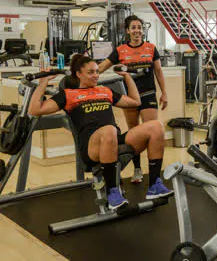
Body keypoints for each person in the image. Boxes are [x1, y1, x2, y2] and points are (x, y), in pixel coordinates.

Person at [29, 54, 173, 210]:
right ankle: (113, 192)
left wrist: (127, 77)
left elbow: (135, 101)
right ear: (79, 74)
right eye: (91, 72)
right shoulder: (68, 94)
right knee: (109, 130)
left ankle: (154, 184)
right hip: (92, 147)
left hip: (113, 139)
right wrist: (43, 82)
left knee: (156, 126)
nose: (96, 75)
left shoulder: (105, 91)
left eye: (97, 71)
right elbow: (35, 109)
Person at [99, 15, 168, 184]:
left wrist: (164, 93)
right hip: (129, 97)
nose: (137, 30)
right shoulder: (120, 50)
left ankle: (155, 174)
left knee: (154, 132)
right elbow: (101, 67)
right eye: (133, 28)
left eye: (139, 27)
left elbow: (158, 72)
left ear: (142, 30)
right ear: (128, 31)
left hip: (148, 94)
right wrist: (86, 74)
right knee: (134, 134)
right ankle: (137, 169)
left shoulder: (151, 48)